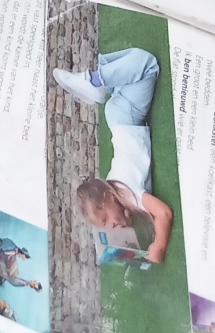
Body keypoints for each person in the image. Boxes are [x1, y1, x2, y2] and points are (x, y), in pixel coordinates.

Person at [53, 49, 174, 263]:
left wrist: (159, 246)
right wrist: (125, 220)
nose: (111, 226)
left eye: (105, 219)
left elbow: (163, 213)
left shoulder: (127, 192)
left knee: (147, 65)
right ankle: (104, 80)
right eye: (105, 225)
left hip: (127, 116)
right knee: (134, 72)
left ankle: (95, 80)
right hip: (119, 118)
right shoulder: (117, 187)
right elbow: (135, 210)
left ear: (110, 197)